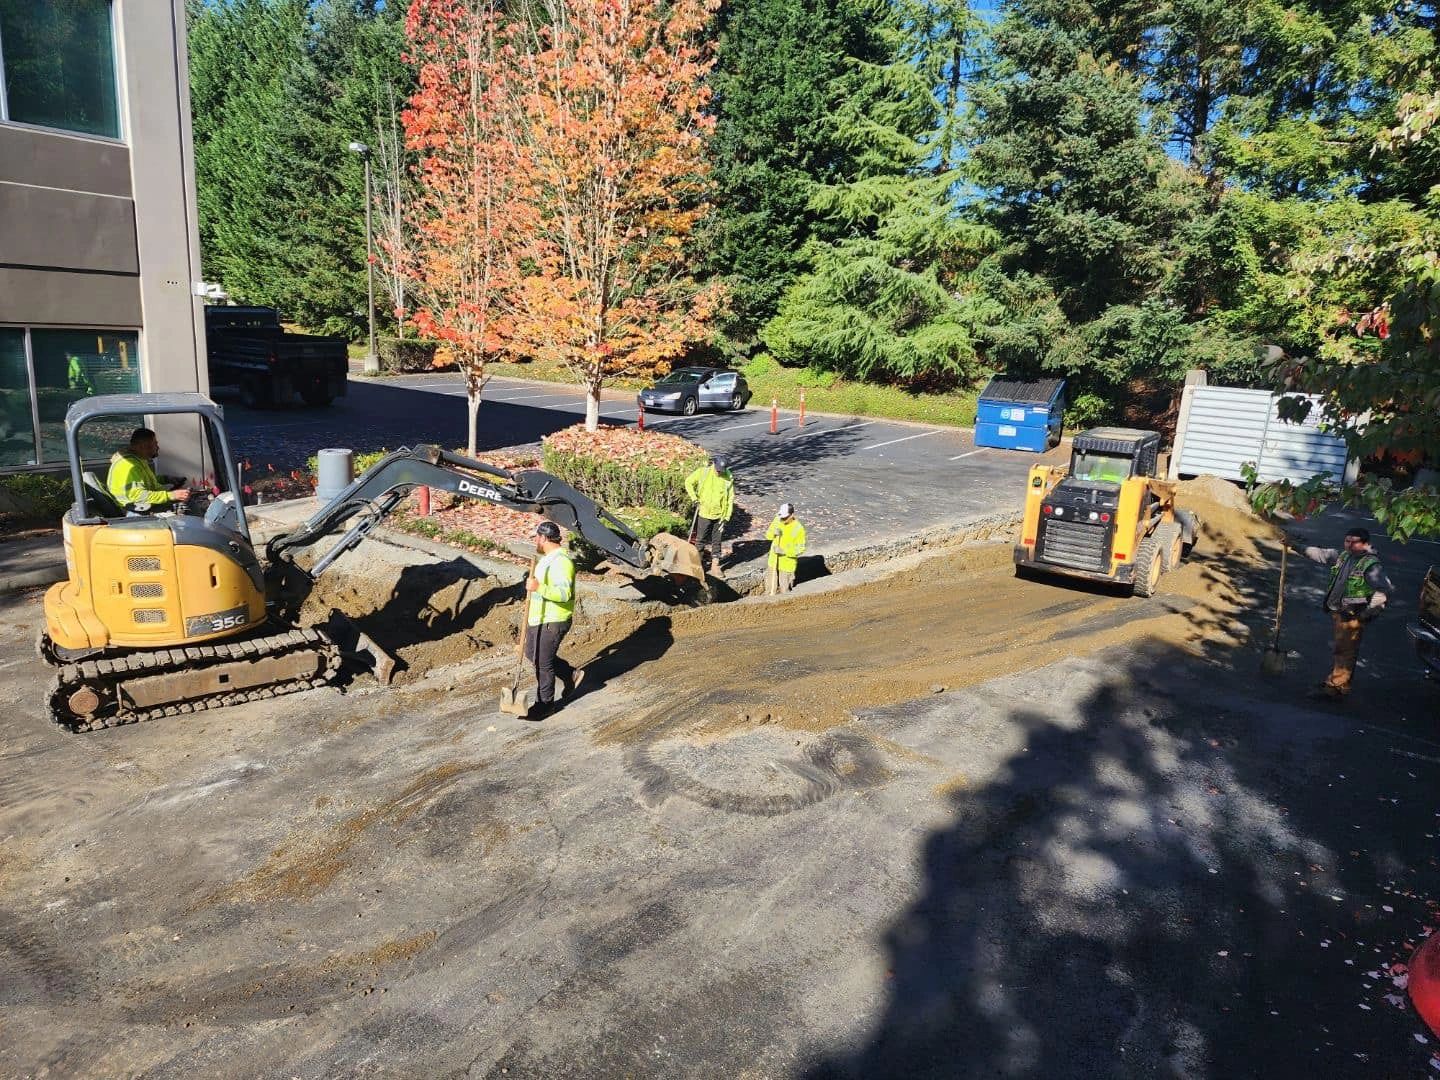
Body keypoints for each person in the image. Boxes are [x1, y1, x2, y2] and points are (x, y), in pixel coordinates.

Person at [1286, 527, 1393, 700]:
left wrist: (1365, 614)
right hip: (1340, 613)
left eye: (1354, 542)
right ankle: (1337, 681)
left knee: (1345, 651)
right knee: (1340, 649)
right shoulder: (1344, 556)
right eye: (1347, 541)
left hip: (1353, 616)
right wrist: (1295, 546)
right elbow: (1321, 554)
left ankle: (1336, 687)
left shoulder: (1371, 565)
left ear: (1365, 544)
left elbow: (1383, 592)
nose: (1349, 545)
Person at [523, 520, 580, 719]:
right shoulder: (547, 559)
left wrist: (539, 588)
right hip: (539, 618)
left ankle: (545, 705)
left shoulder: (561, 562)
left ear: (544, 538)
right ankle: (568, 673)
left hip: (554, 619)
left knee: (542, 663)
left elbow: (564, 594)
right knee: (531, 653)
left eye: (537, 537)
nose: (535, 541)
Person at [106, 428, 190, 513]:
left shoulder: (138, 459)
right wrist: (171, 495)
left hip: (144, 506)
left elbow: (145, 481)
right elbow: (138, 496)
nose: (158, 447)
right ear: (142, 446)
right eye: (155, 444)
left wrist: (166, 479)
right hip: (136, 511)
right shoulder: (129, 466)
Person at [684, 453, 735, 570]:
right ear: (714, 464)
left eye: (722, 470)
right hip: (705, 513)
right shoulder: (703, 472)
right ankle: (697, 565)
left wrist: (727, 516)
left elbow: (730, 498)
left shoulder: (728, 477)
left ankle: (715, 566)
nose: (719, 472)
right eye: (718, 470)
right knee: (700, 540)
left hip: (720, 515)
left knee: (717, 541)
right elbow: (688, 482)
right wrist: (694, 498)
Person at [765, 502, 806, 595]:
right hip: (773, 560)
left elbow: (800, 548)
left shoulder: (798, 528)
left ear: (792, 515)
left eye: (785, 518)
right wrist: (773, 533)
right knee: (769, 590)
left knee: (785, 592)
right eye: (782, 517)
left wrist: (784, 551)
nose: (783, 520)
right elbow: (768, 535)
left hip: (787, 564)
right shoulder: (777, 519)